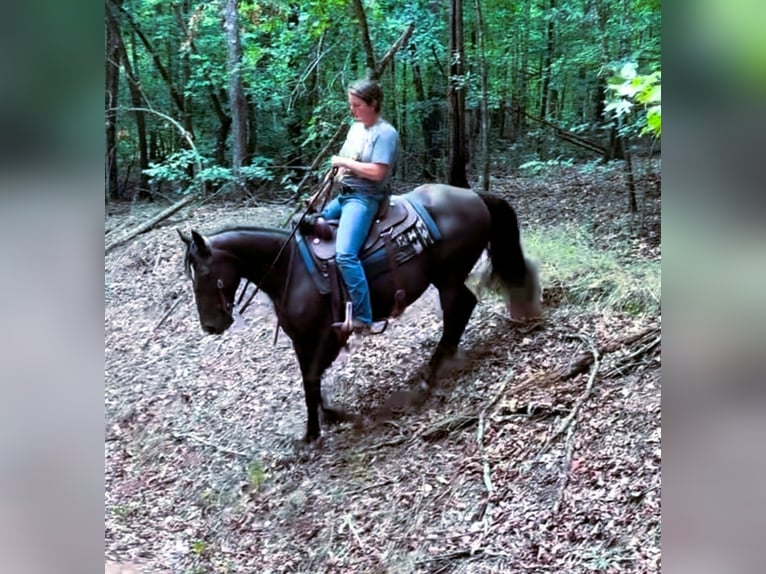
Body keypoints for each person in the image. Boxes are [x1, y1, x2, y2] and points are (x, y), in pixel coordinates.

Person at [315, 78, 399, 333]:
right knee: (310, 224)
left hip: (365, 198)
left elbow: (376, 172)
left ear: (373, 103)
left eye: (357, 105)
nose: (353, 110)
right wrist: (318, 196)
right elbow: (338, 168)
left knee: (346, 254)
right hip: (344, 195)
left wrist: (344, 162)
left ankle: (364, 316)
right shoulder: (356, 129)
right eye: (351, 104)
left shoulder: (386, 133)